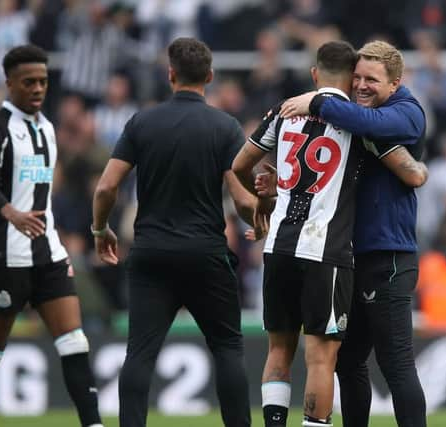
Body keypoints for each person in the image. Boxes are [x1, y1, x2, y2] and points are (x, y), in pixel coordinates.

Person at [92, 37, 255, 427]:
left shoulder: (142, 122)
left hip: (152, 254)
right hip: (205, 253)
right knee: (228, 348)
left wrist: (101, 227)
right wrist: (261, 218)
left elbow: (106, 187)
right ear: (210, 76)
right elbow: (243, 200)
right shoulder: (224, 126)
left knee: (140, 354)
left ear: (170, 75)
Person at [278, 40, 428, 427]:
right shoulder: (351, 115)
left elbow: (374, 127)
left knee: (396, 364)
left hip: (388, 257)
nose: (360, 85)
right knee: (348, 361)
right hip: (346, 257)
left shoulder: (407, 112)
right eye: (356, 77)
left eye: (372, 80)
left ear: (395, 84)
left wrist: (318, 101)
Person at [0, 45, 103, 427]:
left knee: (75, 342)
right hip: (6, 255)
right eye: (29, 82)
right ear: (9, 83)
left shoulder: (46, 126)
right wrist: (12, 214)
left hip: (49, 253)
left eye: (43, 81)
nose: (38, 88)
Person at [232, 40, 362, 427]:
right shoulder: (358, 118)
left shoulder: (285, 110)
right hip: (326, 250)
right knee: (321, 356)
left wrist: (265, 201)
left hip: (279, 246)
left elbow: (241, 166)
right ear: (354, 80)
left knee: (279, 349)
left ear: (314, 73)